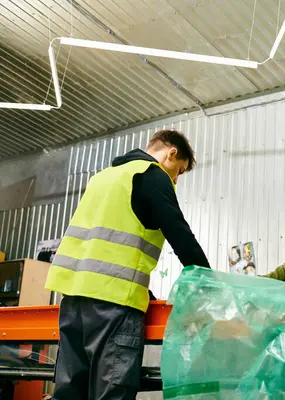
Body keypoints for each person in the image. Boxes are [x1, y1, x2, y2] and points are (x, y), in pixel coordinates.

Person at [45, 130, 211, 400]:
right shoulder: (152, 174)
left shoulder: (102, 178)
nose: (176, 179)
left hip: (73, 301)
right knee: (112, 392)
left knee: (69, 391)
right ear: (171, 154)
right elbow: (179, 233)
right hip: (114, 303)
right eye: (179, 171)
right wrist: (209, 281)